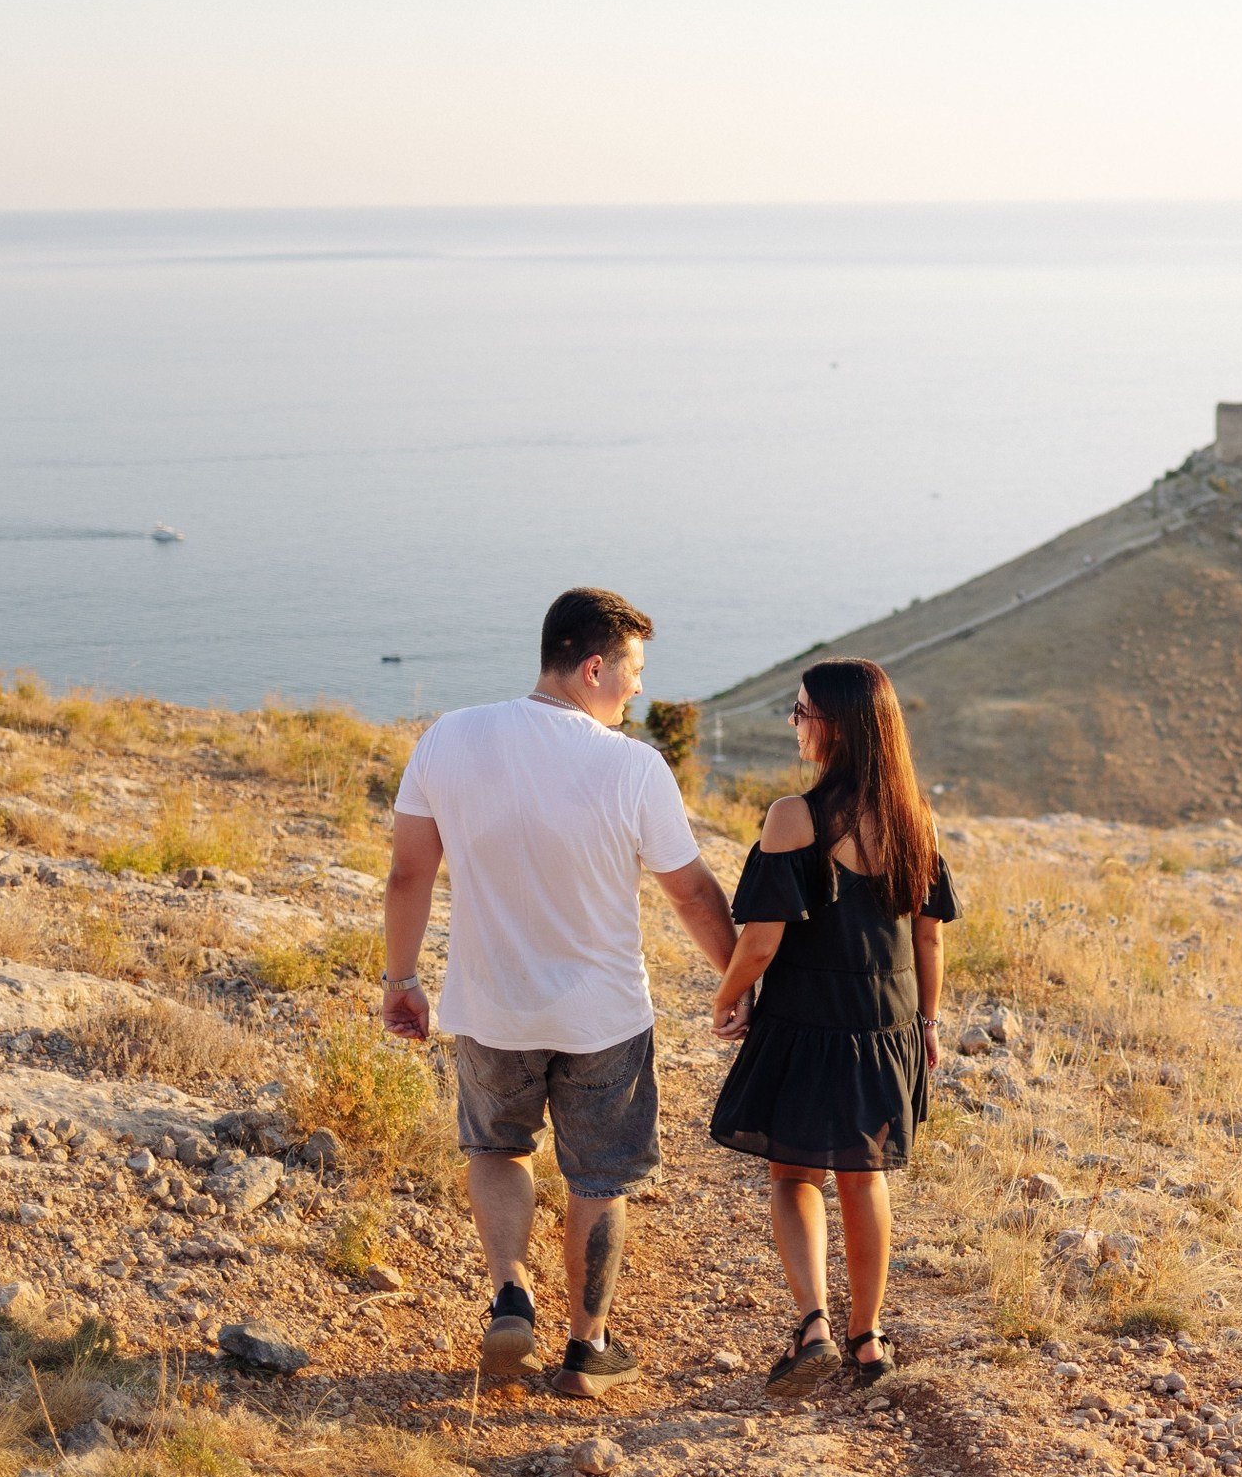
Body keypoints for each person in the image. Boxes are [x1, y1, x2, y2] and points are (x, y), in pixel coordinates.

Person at [381, 586, 736, 1397]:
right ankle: (588, 1346)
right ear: (593, 666)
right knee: (599, 1177)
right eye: (634, 672)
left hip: (489, 1004)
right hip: (602, 1015)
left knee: (499, 1148)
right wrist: (738, 982)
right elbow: (691, 894)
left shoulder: (448, 738)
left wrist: (403, 979)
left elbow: (409, 872)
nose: (639, 691)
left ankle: (511, 1293)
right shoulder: (633, 768)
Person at [709, 657, 957, 1396]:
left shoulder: (795, 817)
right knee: (864, 1175)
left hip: (804, 1021)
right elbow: (930, 939)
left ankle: (813, 1324)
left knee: (793, 1175)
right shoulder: (916, 818)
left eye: (801, 710)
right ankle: (869, 1339)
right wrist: (929, 1024)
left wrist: (727, 997)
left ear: (838, 726)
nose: (794, 722)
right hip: (887, 1023)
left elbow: (760, 941)